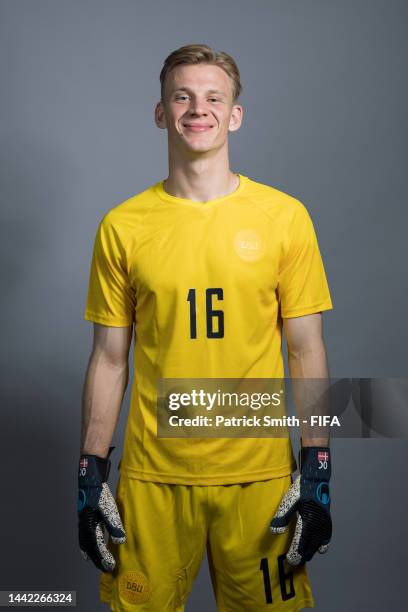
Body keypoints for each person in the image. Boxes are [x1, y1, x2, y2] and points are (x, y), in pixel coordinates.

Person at [78, 43, 333, 612]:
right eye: (183, 96)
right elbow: (109, 359)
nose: (199, 108)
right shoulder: (122, 226)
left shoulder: (285, 217)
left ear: (235, 114)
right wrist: (90, 474)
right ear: (161, 112)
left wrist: (317, 467)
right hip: (152, 480)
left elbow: (307, 350)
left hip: (261, 480)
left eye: (214, 97)